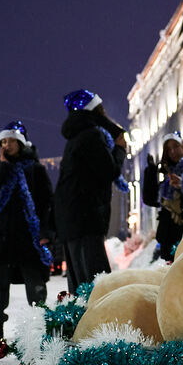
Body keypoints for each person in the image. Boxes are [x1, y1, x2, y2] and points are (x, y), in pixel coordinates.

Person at [0, 121, 54, 344]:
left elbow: (47, 201)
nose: (6, 145)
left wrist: (46, 231)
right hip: (3, 236)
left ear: (21, 143)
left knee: (34, 283)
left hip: (29, 236)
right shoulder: (0, 170)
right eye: (3, 142)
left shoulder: (35, 170)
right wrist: (3, 166)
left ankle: (40, 328)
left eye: (10, 141)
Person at [53, 89, 127, 295]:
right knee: (97, 286)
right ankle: (100, 325)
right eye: (100, 110)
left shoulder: (76, 137)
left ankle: (83, 325)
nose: (105, 115)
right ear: (93, 112)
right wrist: (120, 148)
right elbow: (108, 170)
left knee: (80, 285)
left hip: (72, 219)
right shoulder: (91, 136)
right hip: (85, 218)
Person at [141, 132, 183, 261]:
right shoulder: (167, 177)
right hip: (169, 232)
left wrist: (182, 185)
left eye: (175, 146)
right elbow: (151, 199)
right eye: (168, 150)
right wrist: (151, 172)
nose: (172, 152)